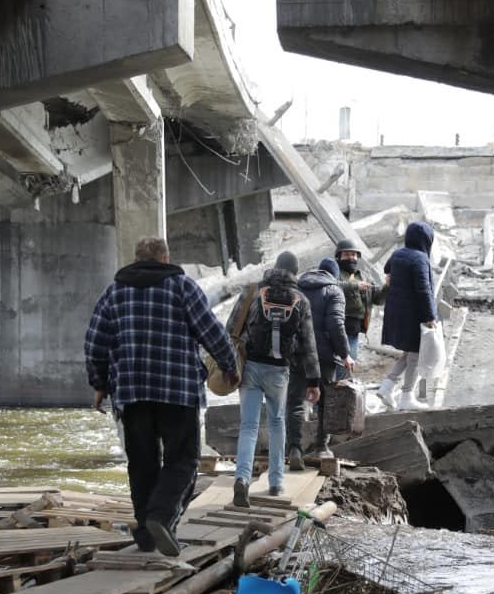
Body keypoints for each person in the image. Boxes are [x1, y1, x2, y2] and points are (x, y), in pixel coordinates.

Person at [85, 236, 239, 557]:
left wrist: (100, 384)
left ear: (137, 258)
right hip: (177, 390)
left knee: (141, 463)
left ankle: (144, 532)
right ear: (166, 257)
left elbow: (95, 340)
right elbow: (210, 330)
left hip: (131, 393)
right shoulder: (182, 287)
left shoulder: (115, 292)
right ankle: (161, 516)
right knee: (183, 459)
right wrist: (229, 366)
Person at [231, 251, 320, 506]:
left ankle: (242, 479)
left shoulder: (253, 292)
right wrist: (313, 380)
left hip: (250, 367)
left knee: (248, 426)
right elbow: (308, 343)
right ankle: (276, 482)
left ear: (274, 268)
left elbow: (231, 328)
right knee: (277, 423)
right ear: (295, 273)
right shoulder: (300, 299)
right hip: (279, 371)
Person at [287, 257, 352, 469]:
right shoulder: (334, 291)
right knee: (325, 401)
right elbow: (336, 324)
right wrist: (345, 354)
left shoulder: (296, 288)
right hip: (323, 355)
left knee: (295, 401)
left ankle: (294, 448)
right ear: (333, 275)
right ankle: (321, 447)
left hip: (296, 353)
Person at [377, 221, 438, 411]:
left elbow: (387, 269)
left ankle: (387, 386)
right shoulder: (420, 258)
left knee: (408, 353)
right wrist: (430, 316)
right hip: (413, 316)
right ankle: (406, 396)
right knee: (416, 356)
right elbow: (424, 290)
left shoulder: (398, 254)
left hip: (396, 313)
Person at [334, 238, 386, 362]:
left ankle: (343, 379)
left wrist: (387, 287)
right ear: (338, 257)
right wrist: (355, 286)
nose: (351, 258)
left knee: (351, 358)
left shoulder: (362, 275)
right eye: (346, 254)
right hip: (337, 326)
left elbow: (377, 299)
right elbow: (331, 286)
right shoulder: (334, 272)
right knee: (342, 360)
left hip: (354, 328)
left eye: (353, 254)